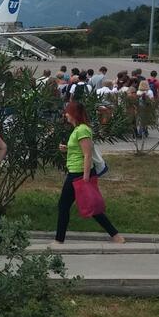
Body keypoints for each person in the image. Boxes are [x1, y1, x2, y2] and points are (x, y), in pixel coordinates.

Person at [55, 101, 125, 245]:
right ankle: (115, 235)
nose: (65, 114)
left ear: (74, 114)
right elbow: (80, 150)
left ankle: (59, 240)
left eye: (67, 112)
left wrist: (86, 178)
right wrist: (67, 149)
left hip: (79, 173)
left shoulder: (82, 130)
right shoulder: (79, 130)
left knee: (66, 205)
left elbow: (87, 154)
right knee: (89, 205)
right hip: (77, 172)